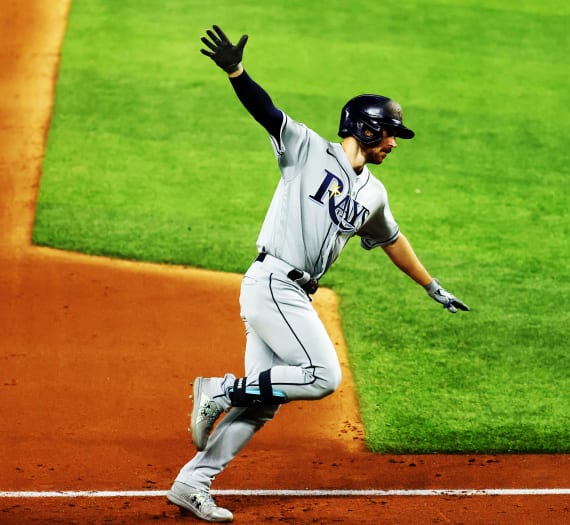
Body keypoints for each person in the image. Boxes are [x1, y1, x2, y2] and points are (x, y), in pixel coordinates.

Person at [166, 25, 469, 522]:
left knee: (265, 401)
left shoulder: (374, 192)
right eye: (390, 132)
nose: (395, 142)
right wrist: (236, 71)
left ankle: (191, 482)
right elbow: (266, 111)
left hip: (294, 295)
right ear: (367, 128)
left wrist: (432, 286)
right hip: (272, 283)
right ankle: (219, 390)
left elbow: (392, 240)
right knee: (322, 376)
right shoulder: (306, 149)